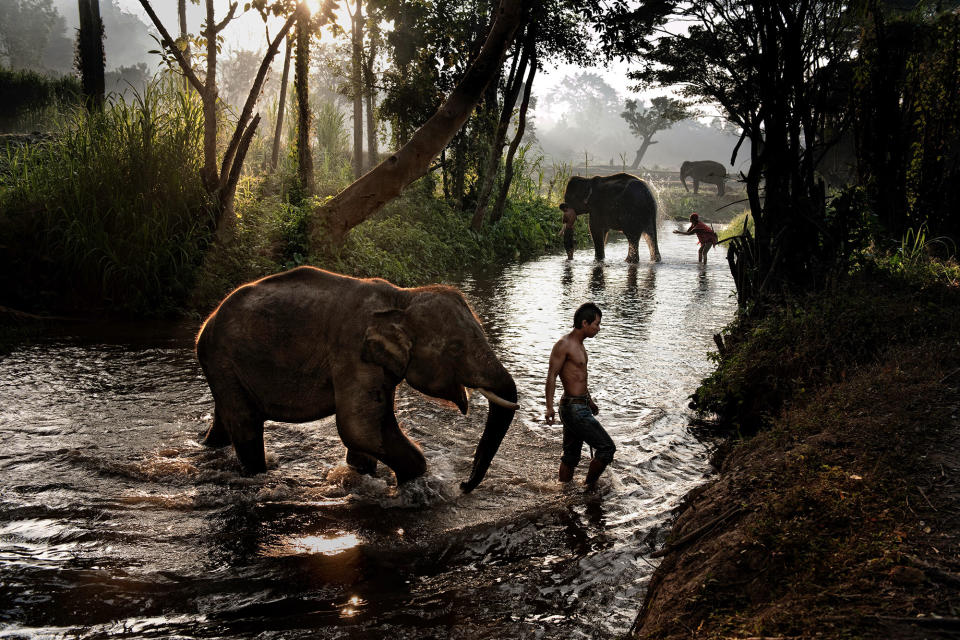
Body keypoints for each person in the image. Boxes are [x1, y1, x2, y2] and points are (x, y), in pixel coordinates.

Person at [544, 302, 616, 488]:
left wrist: (590, 402)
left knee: (571, 456)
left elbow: (580, 379)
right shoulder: (564, 345)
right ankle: (589, 487)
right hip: (573, 408)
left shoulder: (580, 346)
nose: (598, 329)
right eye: (596, 324)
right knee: (607, 448)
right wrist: (549, 407)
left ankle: (563, 491)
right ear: (585, 323)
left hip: (580, 405)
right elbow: (551, 375)